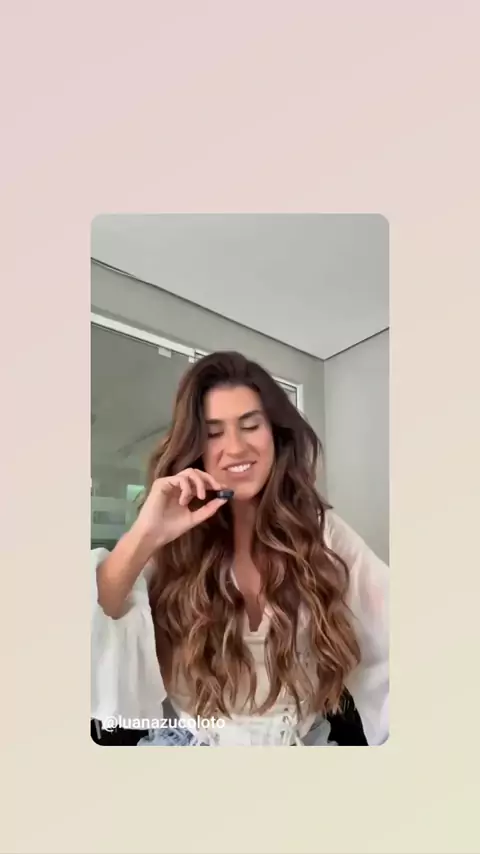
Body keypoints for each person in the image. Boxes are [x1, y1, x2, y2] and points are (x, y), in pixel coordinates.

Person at [91, 351, 389, 746]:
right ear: (195, 446)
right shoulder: (170, 541)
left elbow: (395, 636)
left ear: (275, 434)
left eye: (250, 426)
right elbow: (91, 631)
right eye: (214, 433)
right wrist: (146, 533)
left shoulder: (321, 533)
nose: (235, 447)